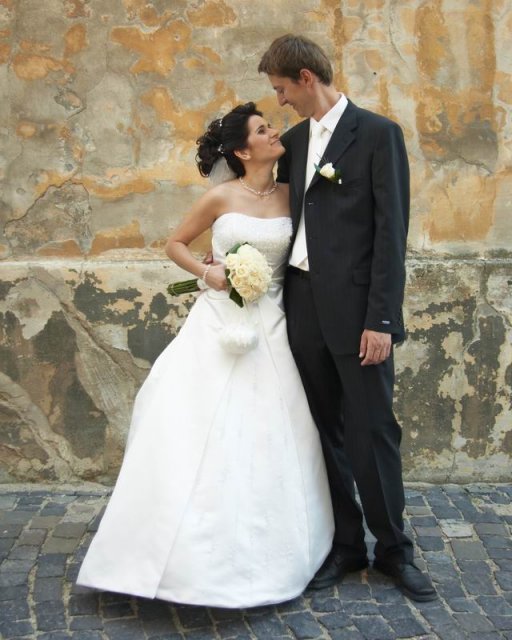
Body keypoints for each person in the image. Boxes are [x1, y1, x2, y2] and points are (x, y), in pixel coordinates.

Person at [76, 102, 334, 608]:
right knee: (194, 424)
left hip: (274, 319)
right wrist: (208, 272)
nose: (275, 133)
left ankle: (275, 546)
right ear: (242, 151)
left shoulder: (293, 195)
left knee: (272, 428)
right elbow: (175, 244)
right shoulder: (220, 196)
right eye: (263, 129)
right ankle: (168, 549)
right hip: (217, 320)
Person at [258, 35, 437, 602]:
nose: (279, 101)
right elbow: (269, 211)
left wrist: (381, 319)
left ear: (307, 78)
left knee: (373, 429)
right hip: (301, 304)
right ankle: (346, 544)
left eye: (282, 89)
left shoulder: (379, 135)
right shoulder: (292, 142)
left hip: (360, 312)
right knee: (322, 430)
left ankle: (395, 550)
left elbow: (391, 232)